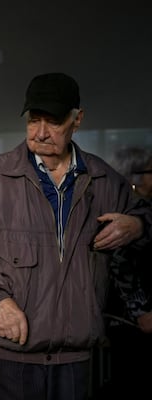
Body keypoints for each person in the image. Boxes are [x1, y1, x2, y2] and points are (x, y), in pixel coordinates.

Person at [0, 72, 152, 400]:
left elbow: (147, 218)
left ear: (77, 119)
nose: (40, 132)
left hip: (75, 359)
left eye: (53, 122)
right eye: (33, 120)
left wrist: (136, 225)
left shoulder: (103, 181)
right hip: (11, 357)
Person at [101, 147, 152, 399]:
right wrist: (141, 310)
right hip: (129, 321)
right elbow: (120, 260)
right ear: (134, 176)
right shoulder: (127, 211)